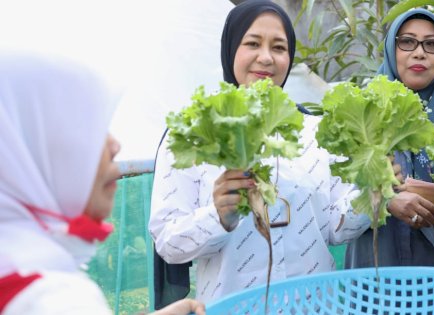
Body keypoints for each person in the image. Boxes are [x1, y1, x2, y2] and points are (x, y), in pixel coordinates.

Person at [149, 0, 372, 303]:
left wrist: (373, 192)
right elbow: (169, 243)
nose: (266, 58)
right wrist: (218, 215)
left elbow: (335, 228)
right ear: (230, 50)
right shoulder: (191, 133)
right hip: (233, 307)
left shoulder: (317, 131)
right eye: (252, 43)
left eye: (279, 48)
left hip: (315, 306)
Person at [0, 52, 205, 315]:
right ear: (35, 150)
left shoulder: (18, 267)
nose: (114, 145)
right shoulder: (56, 299)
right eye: (91, 130)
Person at [344, 9, 434, 271]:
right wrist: (384, 199)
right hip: (379, 258)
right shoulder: (360, 111)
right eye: (407, 41)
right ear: (392, 48)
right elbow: (336, 195)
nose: (420, 52)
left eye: (432, 44)